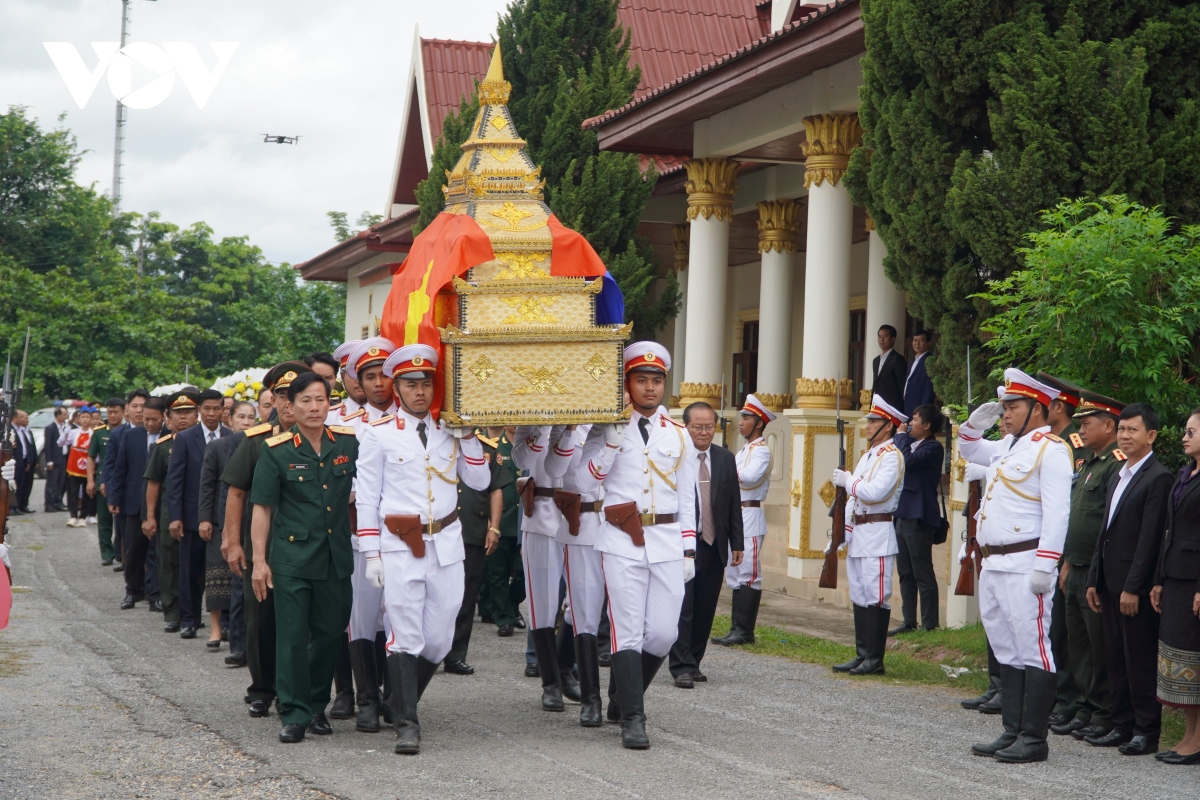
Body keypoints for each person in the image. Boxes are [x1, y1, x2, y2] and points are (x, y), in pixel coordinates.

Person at [354, 343, 490, 754]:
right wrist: (371, 553)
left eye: (426, 384)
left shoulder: (450, 429)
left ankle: (396, 701)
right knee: (405, 634)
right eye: (411, 384)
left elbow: (481, 482)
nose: (419, 392)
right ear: (396, 388)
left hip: (446, 543)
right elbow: (367, 499)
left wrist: (467, 437)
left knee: (439, 639)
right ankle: (407, 724)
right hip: (399, 545)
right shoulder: (377, 435)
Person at [576, 342, 697, 749]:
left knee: (662, 633)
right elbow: (584, 481)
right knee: (626, 631)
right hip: (620, 540)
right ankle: (633, 717)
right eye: (641, 380)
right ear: (626, 383)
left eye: (656, 381)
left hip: (664, 540)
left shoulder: (679, 435)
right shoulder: (604, 426)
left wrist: (689, 548)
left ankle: (622, 695)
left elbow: (686, 497)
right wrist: (611, 442)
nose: (649, 388)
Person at [959, 369, 1073, 763]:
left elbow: (1058, 513)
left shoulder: (1051, 449)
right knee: (1006, 647)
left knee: (1034, 648)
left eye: (1013, 407)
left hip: (1026, 563)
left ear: (1037, 410)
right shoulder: (1008, 446)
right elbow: (970, 451)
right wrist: (973, 426)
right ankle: (1012, 731)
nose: (1006, 414)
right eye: (1004, 407)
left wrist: (1046, 564)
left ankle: (1034, 738)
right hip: (993, 563)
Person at [249, 371, 358, 744]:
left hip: (336, 558)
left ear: (330, 404)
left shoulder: (348, 443)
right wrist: (259, 562)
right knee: (293, 637)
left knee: (329, 634)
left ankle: (316, 705)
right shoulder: (276, 450)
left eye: (321, 400)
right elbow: (262, 508)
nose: (314, 407)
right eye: (306, 401)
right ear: (290, 407)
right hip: (292, 558)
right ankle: (295, 714)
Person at [222, 362, 312, 719]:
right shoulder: (256, 441)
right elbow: (236, 494)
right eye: (282, 396)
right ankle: (262, 688)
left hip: (306, 545)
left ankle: (301, 691)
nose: (289, 404)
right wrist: (232, 542)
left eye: (296, 396)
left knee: (303, 622)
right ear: (273, 399)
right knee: (261, 619)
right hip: (264, 545)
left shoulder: (319, 438)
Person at [1085, 403, 1172, 755]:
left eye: (1132, 430)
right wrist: (1094, 578)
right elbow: (1104, 532)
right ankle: (1120, 724)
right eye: (1121, 429)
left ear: (1150, 435)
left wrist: (1133, 588)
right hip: (1108, 581)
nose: (1125, 435)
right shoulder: (1118, 473)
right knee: (1115, 657)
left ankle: (1145, 730)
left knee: (1138, 658)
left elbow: (1149, 539)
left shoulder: (1158, 477)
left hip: (1132, 587)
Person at [1053, 390, 1124, 741]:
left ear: (1110, 426)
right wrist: (1066, 562)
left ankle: (1103, 710)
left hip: (1096, 570)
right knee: (1077, 643)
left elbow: (1107, 524)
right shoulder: (1087, 463)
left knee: (1099, 645)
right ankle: (1083, 705)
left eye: (1088, 422)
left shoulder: (1116, 465)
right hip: (1075, 566)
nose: (1081, 427)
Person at [337, 337, 400, 732]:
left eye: (383, 375)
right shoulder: (336, 422)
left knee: (397, 619)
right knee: (360, 618)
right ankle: (365, 699)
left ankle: (395, 696)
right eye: (368, 376)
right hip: (357, 533)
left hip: (401, 535)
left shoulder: (410, 421)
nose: (377, 383)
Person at [830, 394, 906, 676]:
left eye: (874, 421)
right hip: (859, 532)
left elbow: (875, 493)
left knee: (875, 595)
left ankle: (875, 659)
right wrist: (844, 531)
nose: (868, 425)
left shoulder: (892, 457)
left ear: (888, 426)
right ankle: (862, 654)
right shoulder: (867, 456)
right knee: (860, 594)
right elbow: (851, 500)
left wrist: (848, 480)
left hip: (877, 532)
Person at [673, 400, 744, 678]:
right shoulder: (676, 457)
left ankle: (695, 660)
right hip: (684, 545)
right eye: (697, 427)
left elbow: (733, 503)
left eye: (709, 427)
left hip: (714, 545)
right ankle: (681, 666)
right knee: (684, 607)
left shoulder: (725, 458)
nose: (704, 432)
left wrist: (737, 543)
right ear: (686, 426)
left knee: (705, 608)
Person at [542, 421, 606, 724]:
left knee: (626, 615)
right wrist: (567, 430)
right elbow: (554, 469)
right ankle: (587, 697)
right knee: (582, 610)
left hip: (624, 524)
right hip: (580, 521)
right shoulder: (564, 425)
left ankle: (623, 696)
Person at [512, 421, 575, 711]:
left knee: (582, 606)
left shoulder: (595, 418)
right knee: (544, 606)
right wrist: (545, 425)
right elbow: (522, 460)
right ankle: (550, 683)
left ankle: (564, 668)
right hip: (542, 513)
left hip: (584, 517)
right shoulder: (533, 419)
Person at [1149, 407, 1200, 764]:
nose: (1184, 436)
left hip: (1195, 579)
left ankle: (1198, 742)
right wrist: (1158, 579)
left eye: (1192, 431)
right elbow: (1168, 531)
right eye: (1185, 430)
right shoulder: (1185, 474)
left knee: (1197, 661)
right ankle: (1189, 735)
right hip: (1175, 577)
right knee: (1183, 664)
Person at [444, 428, 511, 676]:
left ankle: (456, 655)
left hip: (472, 528)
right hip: (442, 529)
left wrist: (494, 526)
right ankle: (430, 649)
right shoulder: (438, 442)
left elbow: (495, 489)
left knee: (467, 593)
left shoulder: (487, 449)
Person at [167, 388, 231, 639]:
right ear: (199, 411)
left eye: (217, 408)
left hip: (224, 516)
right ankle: (189, 619)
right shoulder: (185, 438)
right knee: (190, 570)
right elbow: (175, 481)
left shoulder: (231, 436)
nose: (212, 413)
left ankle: (224, 622)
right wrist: (175, 516)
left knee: (222, 570)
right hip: (192, 516)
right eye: (207, 409)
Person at [199, 400, 256, 652]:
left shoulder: (260, 442)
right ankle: (226, 635)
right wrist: (219, 527)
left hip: (256, 521)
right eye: (241, 417)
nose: (246, 422)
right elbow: (215, 488)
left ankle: (242, 636)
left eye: (251, 417)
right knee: (226, 578)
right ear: (229, 419)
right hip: (227, 520)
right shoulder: (219, 446)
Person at [145, 391, 198, 633]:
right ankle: (172, 612)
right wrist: (150, 517)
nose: (184, 417)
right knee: (169, 564)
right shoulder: (163, 447)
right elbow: (153, 483)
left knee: (195, 567)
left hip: (197, 512)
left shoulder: (206, 443)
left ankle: (193, 612)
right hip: (169, 514)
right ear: (169, 417)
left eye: (188, 412)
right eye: (179, 413)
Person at [890, 403, 945, 634]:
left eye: (914, 419)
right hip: (903, 513)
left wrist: (901, 436)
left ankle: (930, 623)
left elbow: (908, 462)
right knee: (905, 573)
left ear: (927, 425)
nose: (910, 423)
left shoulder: (933, 447)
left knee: (923, 572)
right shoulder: (912, 444)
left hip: (919, 516)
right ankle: (909, 620)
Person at [109, 395, 164, 610]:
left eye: (154, 419)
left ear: (163, 417)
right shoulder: (131, 436)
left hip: (160, 504)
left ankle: (155, 594)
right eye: (146, 419)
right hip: (133, 502)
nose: (150, 424)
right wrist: (114, 497)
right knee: (133, 550)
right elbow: (120, 469)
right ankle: (133, 590)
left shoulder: (169, 437)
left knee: (157, 550)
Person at [480, 427, 525, 637]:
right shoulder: (495, 447)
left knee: (523, 572)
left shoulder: (531, 444)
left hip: (525, 521)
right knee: (497, 573)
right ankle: (504, 619)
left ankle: (513, 605)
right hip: (503, 521)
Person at [88, 398, 126, 566]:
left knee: (121, 521)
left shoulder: (128, 431)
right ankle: (107, 553)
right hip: (103, 480)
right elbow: (91, 457)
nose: (112, 415)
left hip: (122, 481)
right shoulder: (99, 432)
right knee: (104, 520)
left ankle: (120, 553)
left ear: (123, 412)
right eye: (109, 412)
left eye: (116, 412)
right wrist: (90, 480)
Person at [60, 406, 95, 527]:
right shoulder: (74, 432)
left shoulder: (94, 433)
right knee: (73, 492)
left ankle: (83, 517)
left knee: (87, 493)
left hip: (88, 467)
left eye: (87, 417)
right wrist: (65, 434)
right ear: (78, 419)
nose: (85, 420)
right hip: (74, 466)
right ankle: (73, 516)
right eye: (83, 417)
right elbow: (61, 443)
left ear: (91, 419)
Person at [871, 325, 907, 411]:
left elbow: (902, 385)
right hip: (879, 406)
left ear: (893, 339)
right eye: (879, 337)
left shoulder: (897, 359)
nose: (881, 340)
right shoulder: (876, 361)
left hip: (893, 407)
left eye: (885, 336)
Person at [902, 330, 935, 418]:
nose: (917, 343)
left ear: (928, 343)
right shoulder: (912, 362)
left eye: (921, 340)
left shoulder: (930, 361)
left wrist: (923, 410)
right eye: (915, 340)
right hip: (908, 406)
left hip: (919, 409)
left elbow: (928, 389)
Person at [10, 410, 36, 515]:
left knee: (23, 485)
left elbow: (28, 447)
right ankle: (12, 506)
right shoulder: (10, 430)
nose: (25, 419)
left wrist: (30, 460)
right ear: (15, 418)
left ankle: (20, 505)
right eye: (22, 417)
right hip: (14, 461)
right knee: (14, 485)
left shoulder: (23, 430)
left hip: (24, 461)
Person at [43, 407, 69, 512]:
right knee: (52, 483)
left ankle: (58, 502)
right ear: (58, 415)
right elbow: (47, 446)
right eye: (64, 414)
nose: (66, 416)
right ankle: (49, 504)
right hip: (54, 459)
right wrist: (49, 461)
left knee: (61, 482)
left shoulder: (65, 427)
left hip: (63, 459)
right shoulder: (50, 428)